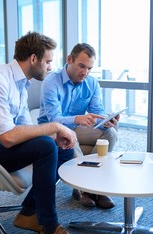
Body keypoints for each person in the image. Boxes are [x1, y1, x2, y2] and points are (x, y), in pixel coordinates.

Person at [0, 32, 91, 234]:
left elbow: (25, 129)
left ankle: (29, 212)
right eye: (47, 61)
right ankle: (50, 229)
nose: (50, 67)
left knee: (61, 149)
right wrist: (54, 127)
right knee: (46, 147)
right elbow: (8, 138)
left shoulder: (21, 84)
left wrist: (54, 136)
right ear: (33, 59)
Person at [38, 43, 119, 209]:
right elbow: (54, 119)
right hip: (51, 131)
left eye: (89, 68)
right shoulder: (51, 82)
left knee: (111, 133)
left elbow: (97, 112)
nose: (85, 72)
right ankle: (89, 189)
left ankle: (89, 188)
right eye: (82, 66)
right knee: (69, 136)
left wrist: (107, 121)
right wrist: (77, 119)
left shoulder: (91, 83)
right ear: (70, 60)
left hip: (77, 128)